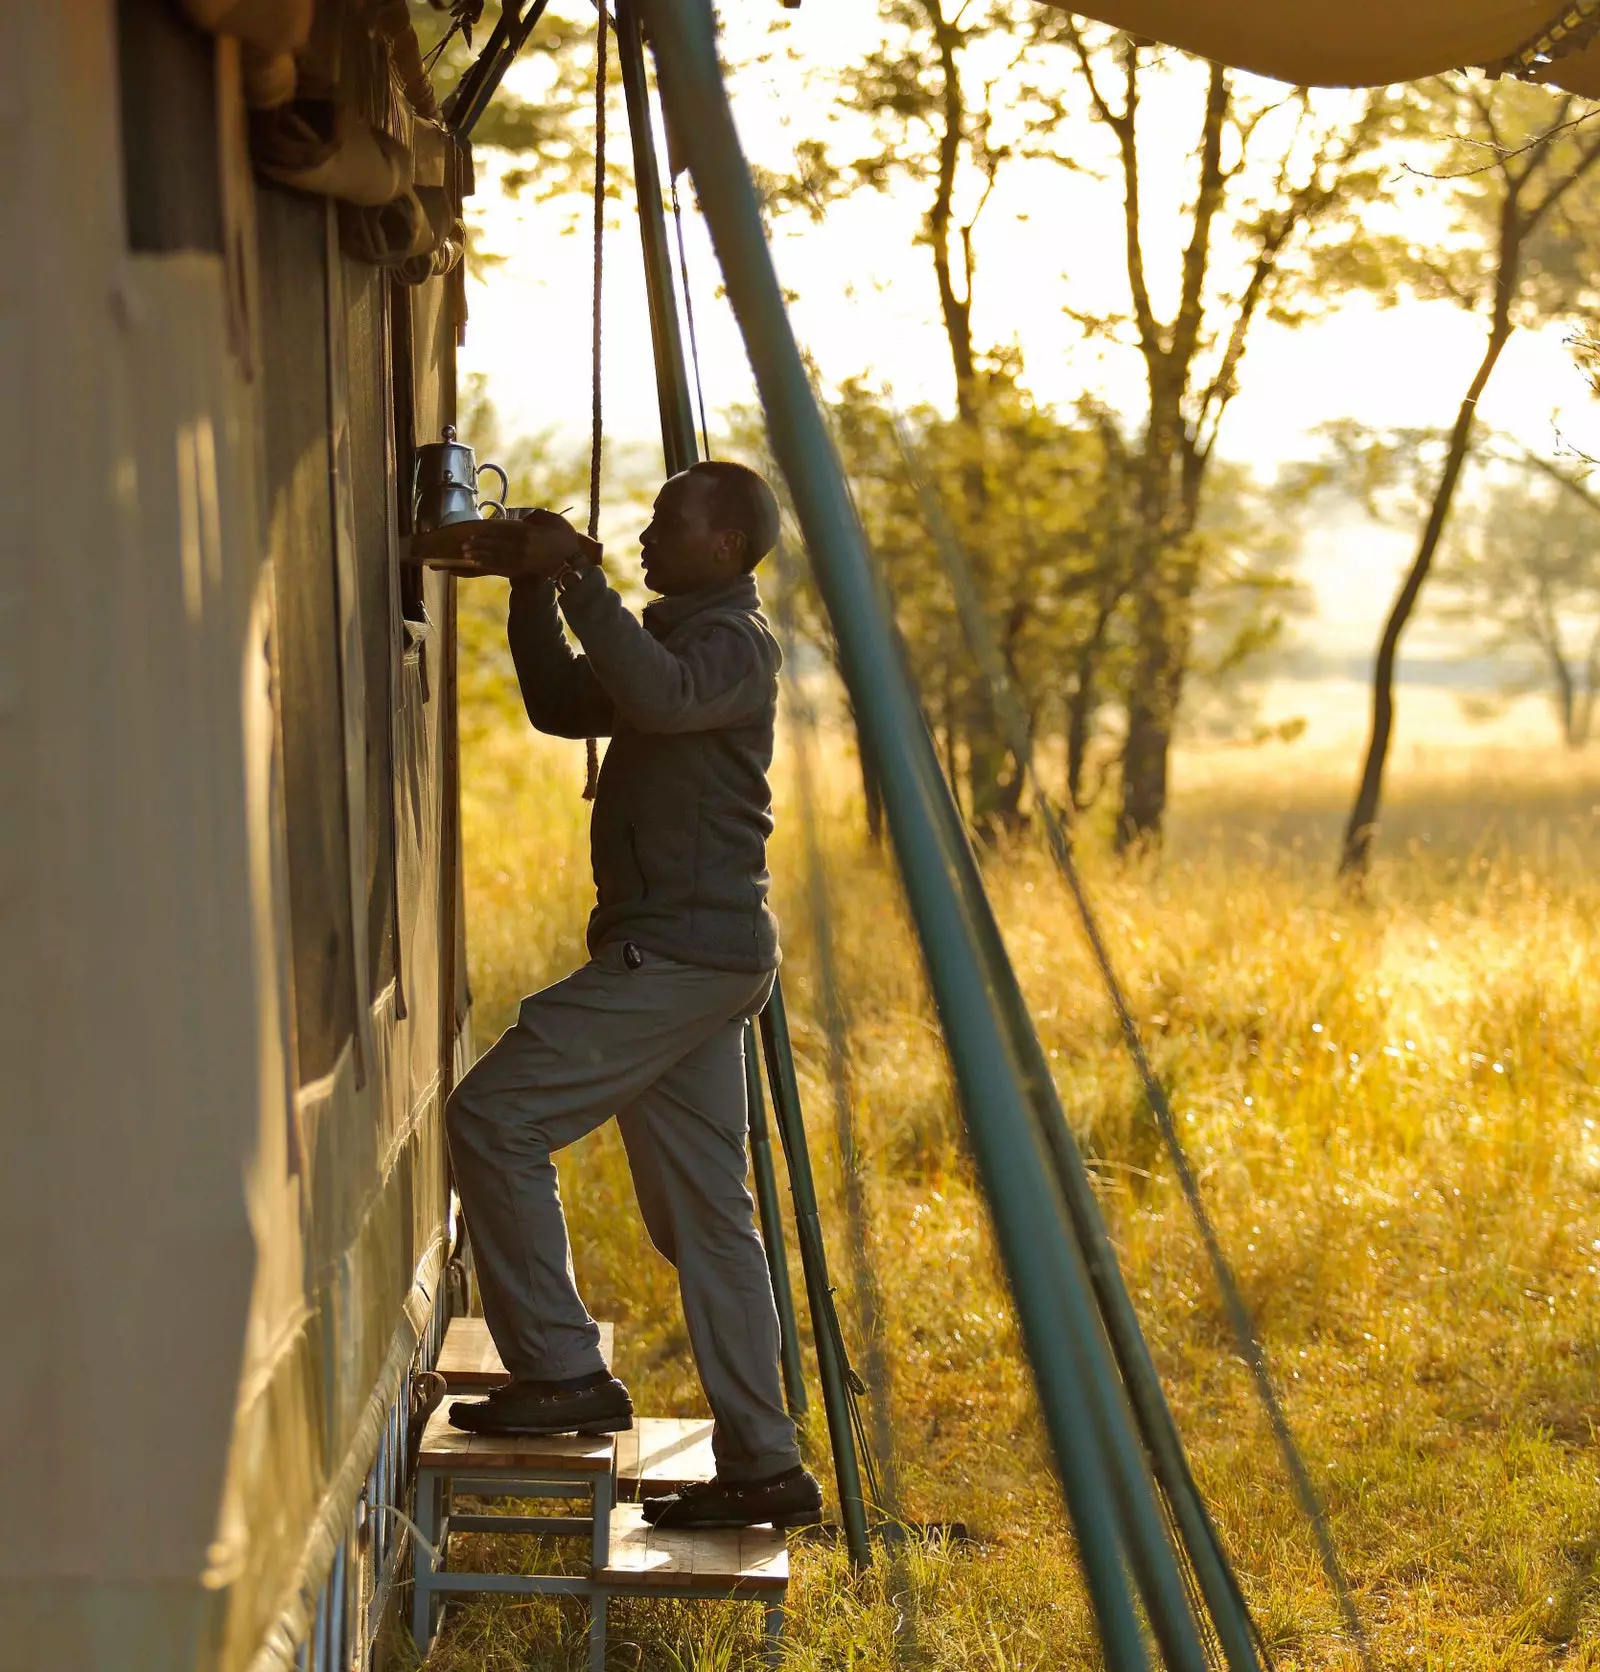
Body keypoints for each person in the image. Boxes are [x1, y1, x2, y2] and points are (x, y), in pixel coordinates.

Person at [442, 460, 823, 1532]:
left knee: (495, 1114)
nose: (646, 536)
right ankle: (763, 1464)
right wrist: (532, 589)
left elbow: (652, 693)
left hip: (681, 959)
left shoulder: (728, 647)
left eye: (668, 523)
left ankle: (560, 1369)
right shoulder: (677, 637)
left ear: (725, 544)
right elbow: (568, 704)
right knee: (709, 1223)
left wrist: (580, 583)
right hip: (697, 961)